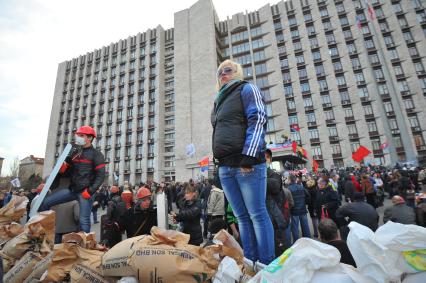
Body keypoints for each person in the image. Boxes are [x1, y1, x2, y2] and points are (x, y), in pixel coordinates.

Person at [211, 59, 274, 264]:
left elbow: (259, 118)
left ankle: (264, 265)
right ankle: (249, 264)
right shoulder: (219, 100)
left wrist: (249, 155)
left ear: (237, 72)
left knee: (257, 215)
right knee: (242, 219)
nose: (222, 74)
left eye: (227, 70)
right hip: (226, 167)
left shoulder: (247, 88)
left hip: (247, 165)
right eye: (219, 72)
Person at [39, 126, 105, 233]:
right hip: (72, 190)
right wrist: (63, 168)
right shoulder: (74, 152)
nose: (77, 137)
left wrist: (90, 191)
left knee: (84, 220)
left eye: (81, 135)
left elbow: (101, 175)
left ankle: (84, 245)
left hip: (85, 192)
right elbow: (68, 171)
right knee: (46, 203)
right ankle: (45, 230)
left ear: (89, 138)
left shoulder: (96, 154)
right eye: (77, 135)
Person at [265, 149, 288, 255]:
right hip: (262, 223)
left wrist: (259, 175)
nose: (264, 160)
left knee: (279, 254)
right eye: (261, 157)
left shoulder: (274, 175)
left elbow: (274, 186)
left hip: (275, 222)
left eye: (267, 157)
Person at [287, 174, 311, 244]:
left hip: (294, 211)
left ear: (289, 180)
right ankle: (308, 241)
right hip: (302, 209)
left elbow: (288, 201)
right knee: (305, 226)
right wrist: (305, 203)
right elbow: (308, 196)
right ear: (295, 180)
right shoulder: (301, 187)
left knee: (295, 228)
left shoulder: (288, 189)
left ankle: (296, 243)